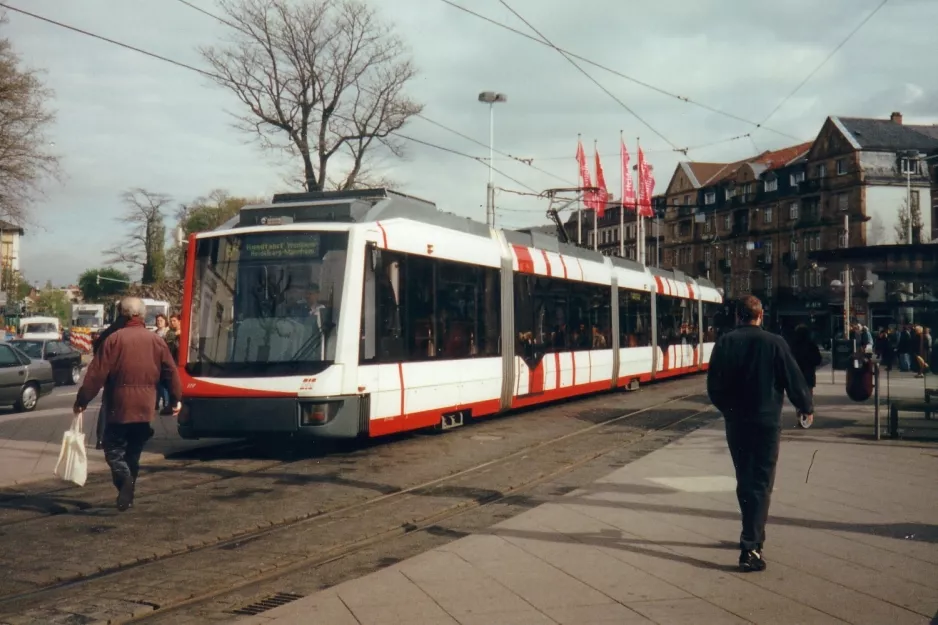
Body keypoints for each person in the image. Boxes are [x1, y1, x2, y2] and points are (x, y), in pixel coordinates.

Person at [706, 295, 814, 572]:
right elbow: (793, 378)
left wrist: (730, 410)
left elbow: (714, 388)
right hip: (766, 422)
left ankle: (752, 533)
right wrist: (805, 406)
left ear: (737, 316)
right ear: (760, 315)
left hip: (737, 422)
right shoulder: (775, 342)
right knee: (762, 481)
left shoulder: (725, 342)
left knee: (745, 479)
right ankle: (750, 547)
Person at [74, 297, 182, 512]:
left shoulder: (113, 340)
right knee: (134, 451)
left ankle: (124, 481)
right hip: (145, 407)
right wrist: (176, 397)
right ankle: (129, 491)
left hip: (119, 406)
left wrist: (82, 400)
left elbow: (96, 374)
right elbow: (170, 371)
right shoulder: (156, 341)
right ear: (142, 315)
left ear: (122, 314)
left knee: (113, 449)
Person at [90, 313, 129, 449]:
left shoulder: (108, 332)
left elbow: (97, 350)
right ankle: (122, 438)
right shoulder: (127, 332)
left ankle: (101, 439)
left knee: (106, 406)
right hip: (126, 374)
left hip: (110, 374)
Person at [788, 325, 822, 429]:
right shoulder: (811, 345)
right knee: (808, 396)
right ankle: (807, 416)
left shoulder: (792, 346)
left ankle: (799, 415)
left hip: (796, 375)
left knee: (798, 396)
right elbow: (818, 360)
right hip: (808, 375)